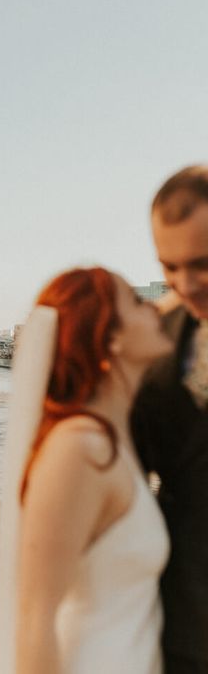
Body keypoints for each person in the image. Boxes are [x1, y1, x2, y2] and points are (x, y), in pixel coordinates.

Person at [0, 267, 173, 674]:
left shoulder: (115, 444)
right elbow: (36, 618)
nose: (157, 309)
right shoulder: (79, 450)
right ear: (112, 337)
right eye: (139, 302)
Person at [132, 165, 208, 674]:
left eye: (200, 264)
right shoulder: (157, 341)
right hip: (183, 628)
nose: (184, 284)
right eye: (169, 265)